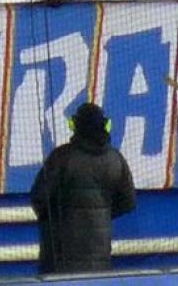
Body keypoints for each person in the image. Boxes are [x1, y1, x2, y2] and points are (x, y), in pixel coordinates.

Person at [30, 103, 135, 274]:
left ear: (77, 126)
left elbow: (39, 198)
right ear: (104, 126)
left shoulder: (62, 157)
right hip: (100, 256)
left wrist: (56, 220)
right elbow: (128, 202)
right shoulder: (116, 159)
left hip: (60, 259)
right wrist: (102, 214)